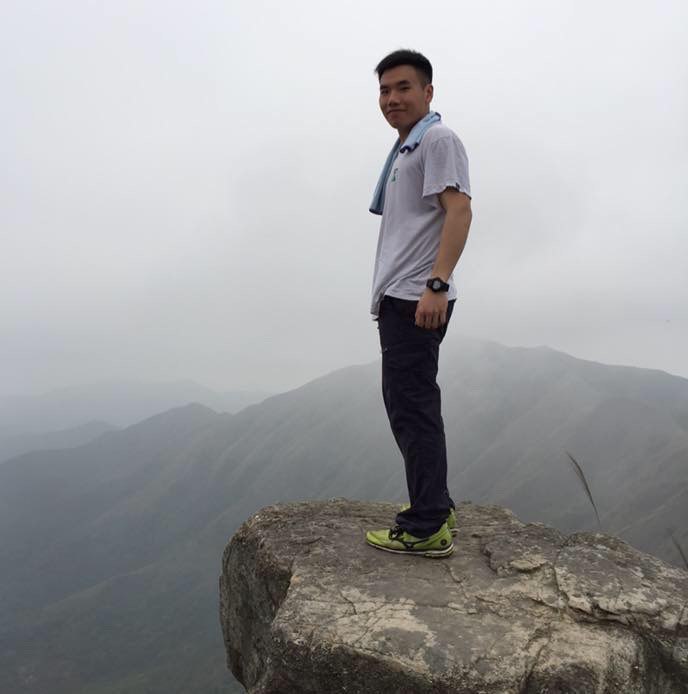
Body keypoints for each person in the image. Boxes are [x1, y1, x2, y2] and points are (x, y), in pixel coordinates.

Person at [365, 49, 472, 558]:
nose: (392, 98)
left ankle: (427, 524)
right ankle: (436, 507)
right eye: (384, 90)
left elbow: (460, 211)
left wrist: (437, 284)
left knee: (412, 409)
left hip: (417, 297)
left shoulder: (436, 139)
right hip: (402, 296)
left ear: (428, 92)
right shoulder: (407, 148)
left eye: (403, 87)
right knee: (411, 405)